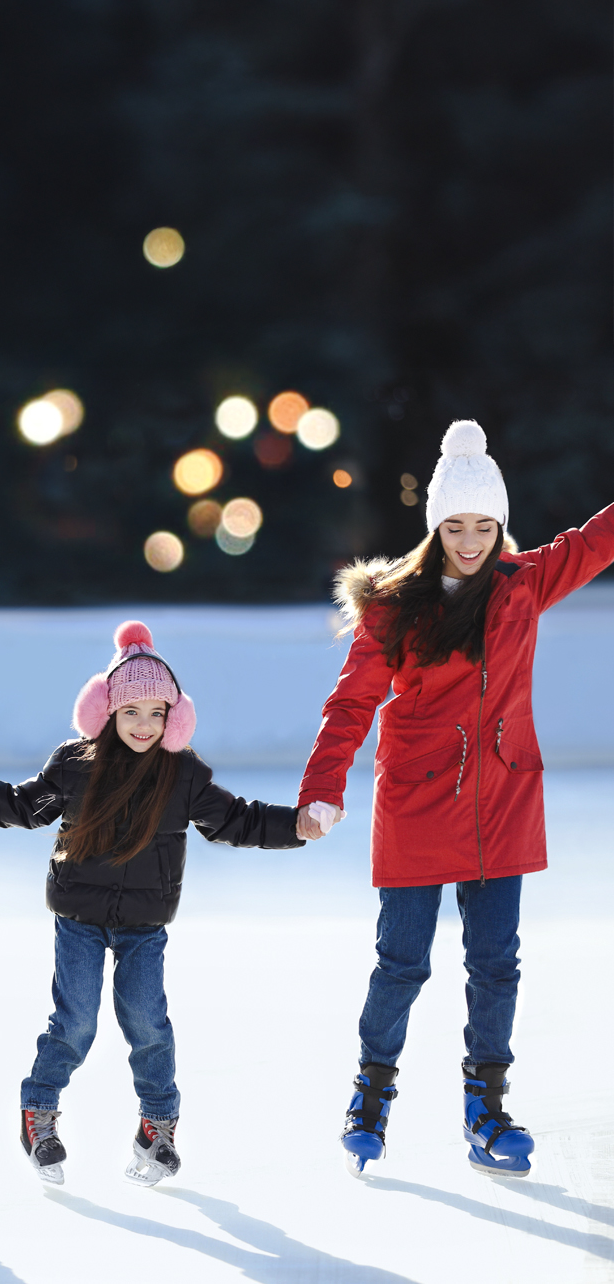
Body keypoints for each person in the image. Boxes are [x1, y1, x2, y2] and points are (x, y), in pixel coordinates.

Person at [296, 420, 614, 1180]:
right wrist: (322, 789)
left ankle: (487, 1110)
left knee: (496, 965)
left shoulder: (523, 583)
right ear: (435, 525)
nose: (470, 540)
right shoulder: (395, 605)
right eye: (455, 525)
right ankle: (369, 1099)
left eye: (484, 525)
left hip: (501, 801)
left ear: (501, 524)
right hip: (417, 803)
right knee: (401, 964)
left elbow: (600, 538)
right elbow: (351, 704)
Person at [0, 620, 303, 1187]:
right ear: (106, 711)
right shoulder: (76, 762)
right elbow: (22, 805)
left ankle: (157, 1128)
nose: (143, 724)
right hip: (80, 918)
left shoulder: (182, 773)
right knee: (76, 1022)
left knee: (147, 1023)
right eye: (131, 711)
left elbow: (237, 819)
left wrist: (298, 825)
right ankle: (38, 1111)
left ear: (173, 718)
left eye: (157, 713)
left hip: (143, 925)